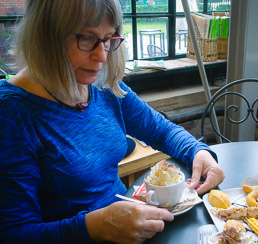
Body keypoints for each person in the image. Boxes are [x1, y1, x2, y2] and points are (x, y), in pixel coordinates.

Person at [0, 0, 225, 243]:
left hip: (131, 228)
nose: (102, 55)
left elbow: (160, 130)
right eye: (86, 38)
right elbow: (14, 234)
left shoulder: (102, 86)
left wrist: (197, 152)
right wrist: (94, 226)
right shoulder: (11, 112)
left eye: (108, 39)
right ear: (46, 37)